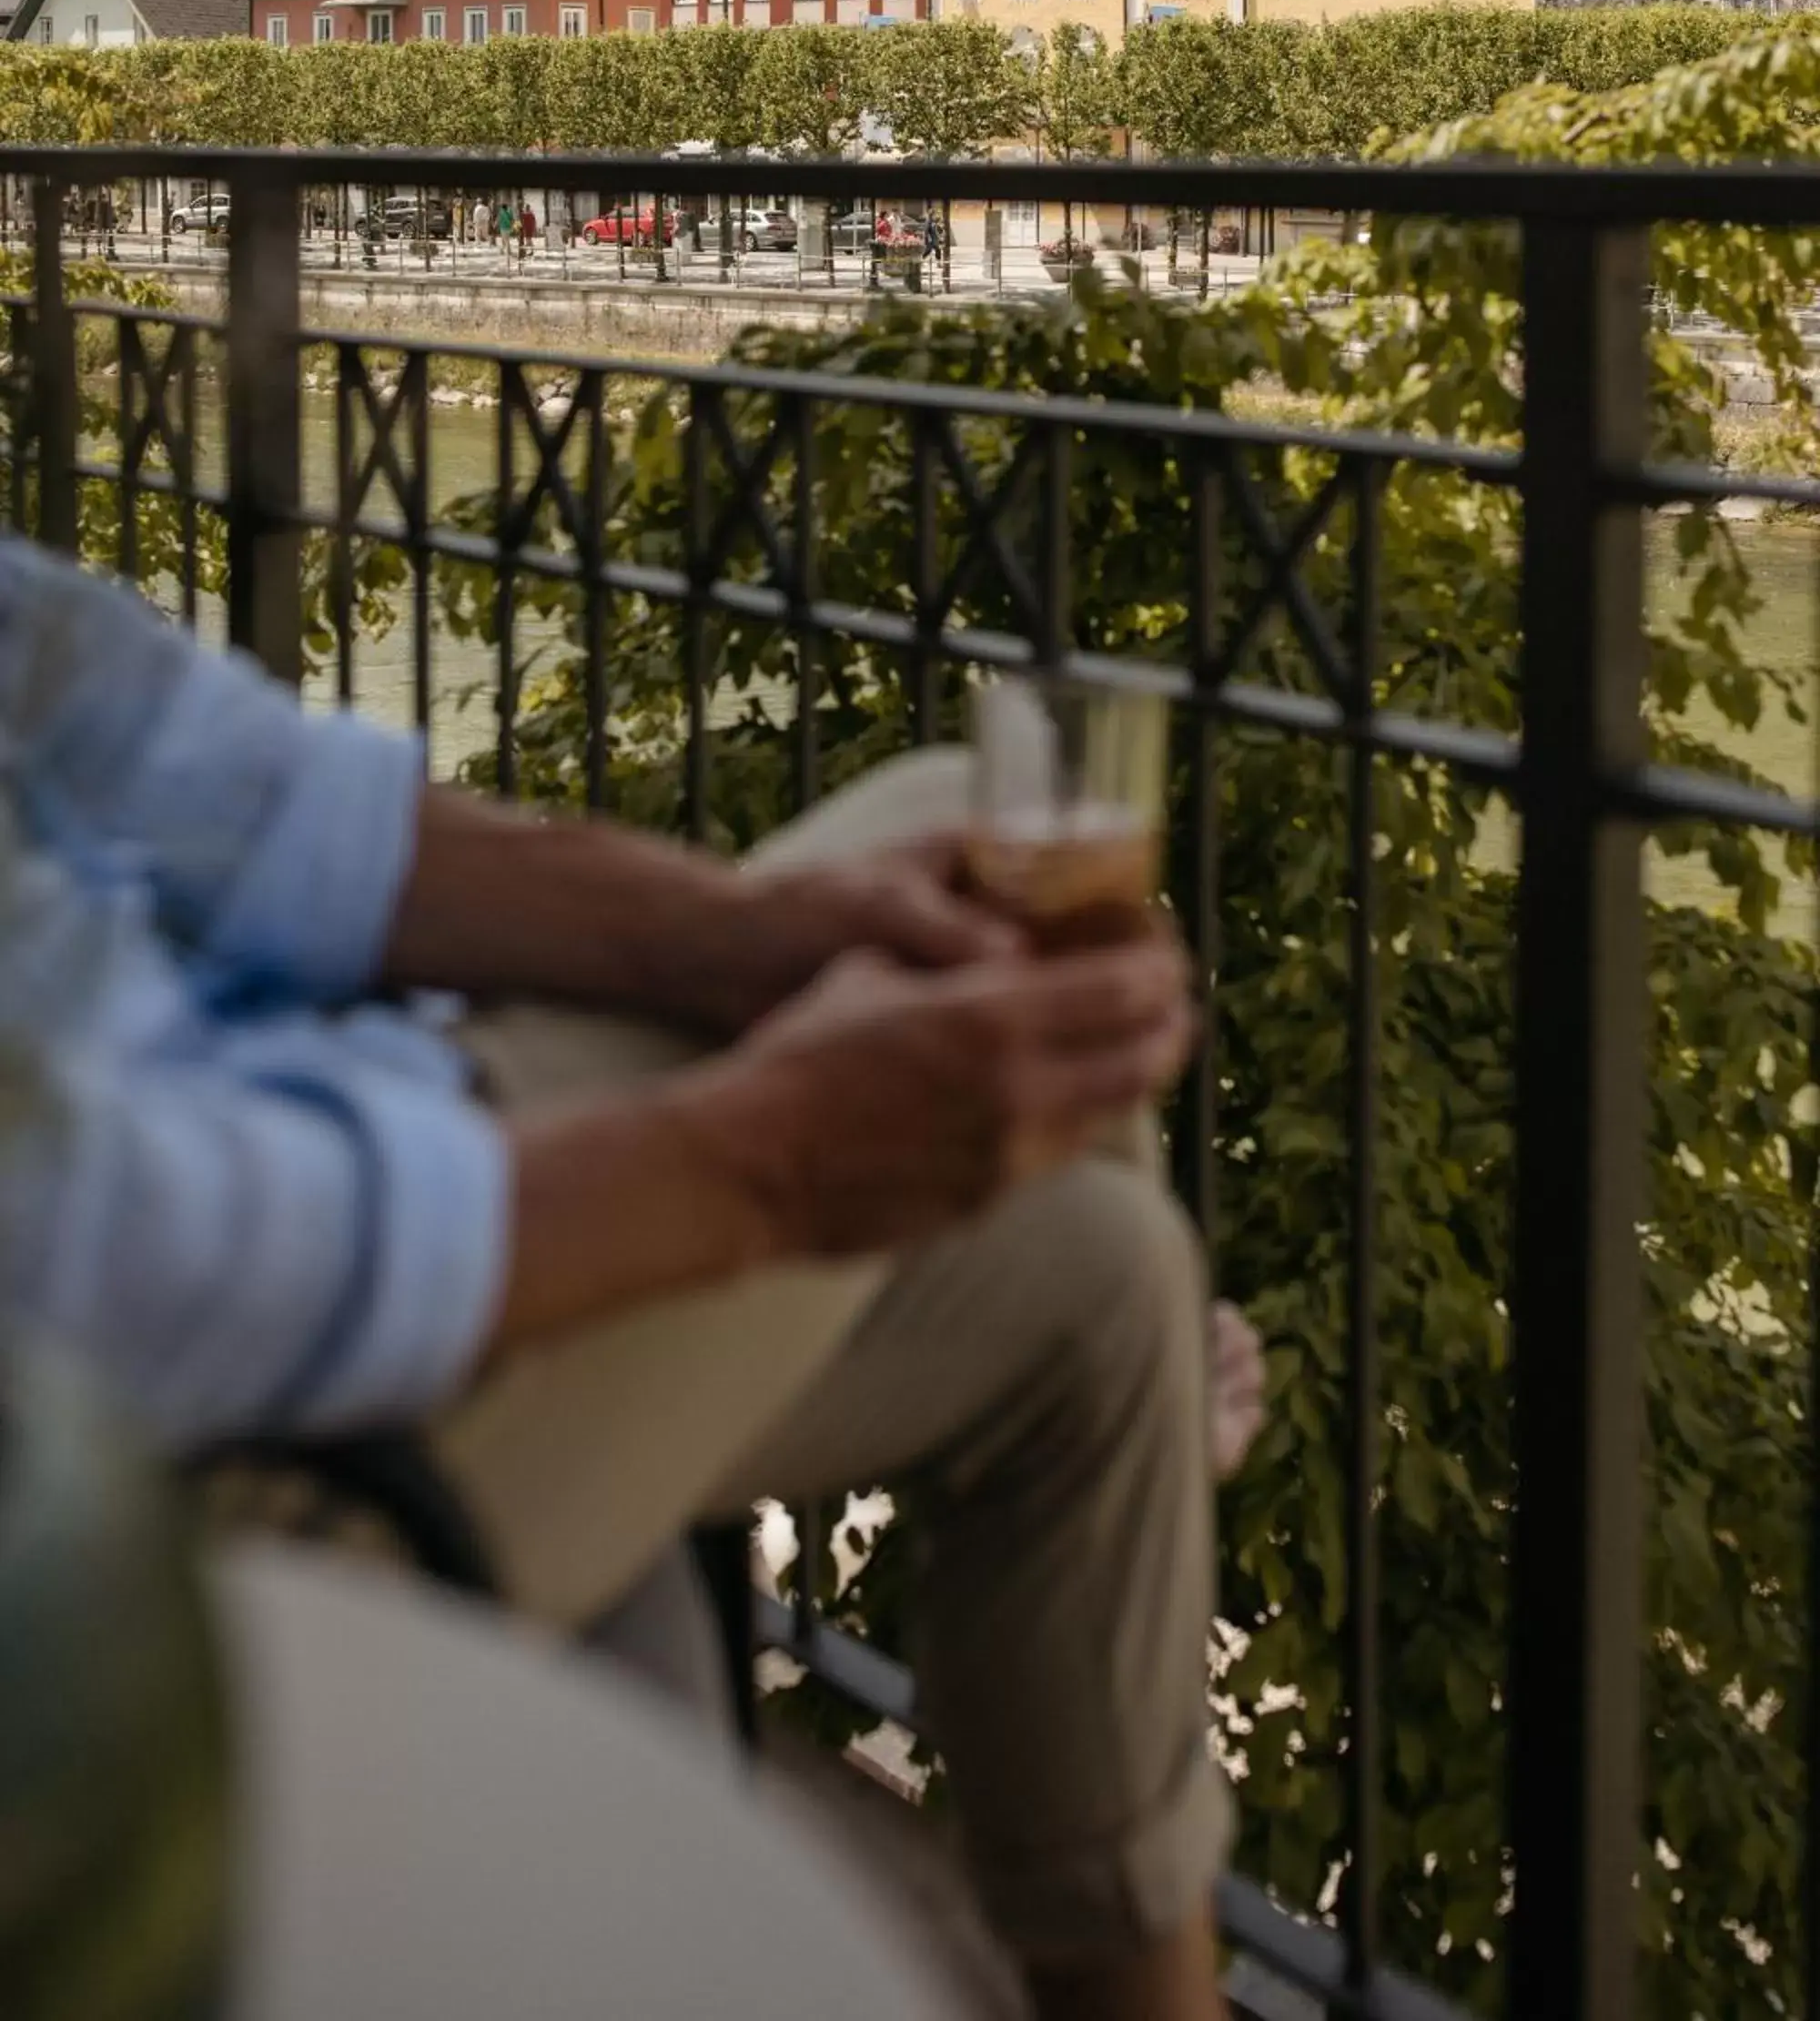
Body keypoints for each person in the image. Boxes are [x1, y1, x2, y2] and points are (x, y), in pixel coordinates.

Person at [0, 535, 1255, 2021]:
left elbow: (232, 787)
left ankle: (1154, 1374)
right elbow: (72, 1245)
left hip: (312, 1156)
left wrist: (740, 944)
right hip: (136, 1495)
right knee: (1011, 903)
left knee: (1100, 1265)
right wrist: (754, 1162)